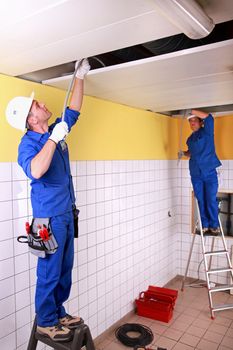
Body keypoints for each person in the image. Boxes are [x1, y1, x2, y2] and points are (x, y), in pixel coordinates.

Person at [5, 59, 90, 342]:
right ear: (31, 120)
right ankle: (45, 321)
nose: (42, 104)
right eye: (37, 106)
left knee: (65, 269)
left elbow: (74, 109)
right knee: (49, 271)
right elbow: (37, 170)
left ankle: (58, 311)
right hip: (47, 219)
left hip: (66, 213)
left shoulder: (57, 128)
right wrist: (53, 139)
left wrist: (79, 78)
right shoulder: (28, 144)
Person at [182, 109, 222, 236]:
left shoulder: (207, 132)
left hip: (209, 172)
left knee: (210, 199)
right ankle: (204, 225)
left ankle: (214, 226)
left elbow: (209, 118)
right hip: (196, 174)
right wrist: (183, 153)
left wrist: (192, 110)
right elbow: (191, 152)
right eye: (190, 121)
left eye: (194, 120)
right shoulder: (190, 139)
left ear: (200, 122)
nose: (192, 123)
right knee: (200, 199)